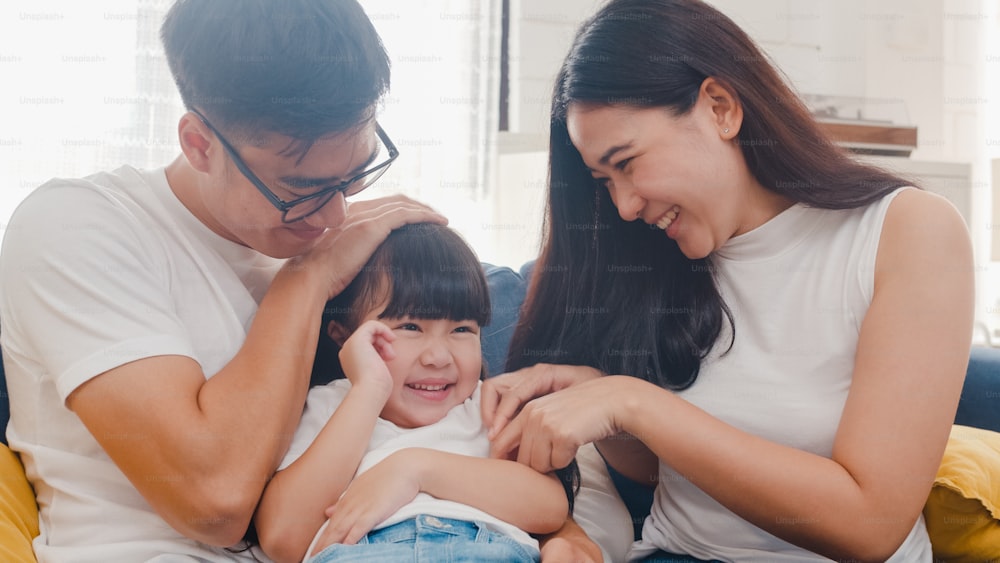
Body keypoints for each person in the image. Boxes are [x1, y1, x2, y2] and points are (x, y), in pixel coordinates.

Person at [481, 0, 975, 561]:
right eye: (603, 180)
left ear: (720, 108)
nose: (623, 206)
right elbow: (665, 475)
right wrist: (601, 408)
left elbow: (870, 524)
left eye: (627, 162)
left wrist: (633, 403)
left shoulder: (906, 232)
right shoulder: (658, 253)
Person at [0, 1, 445, 561]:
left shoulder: (343, 242)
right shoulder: (77, 223)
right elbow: (215, 503)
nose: (333, 217)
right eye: (301, 188)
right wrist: (306, 280)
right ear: (199, 145)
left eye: (355, 175)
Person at [254, 223, 573, 563]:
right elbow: (281, 537)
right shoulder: (328, 406)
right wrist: (368, 391)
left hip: (483, 549)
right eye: (409, 327)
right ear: (343, 338)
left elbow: (549, 508)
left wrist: (419, 471)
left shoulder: (487, 408)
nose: (437, 357)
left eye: (462, 329)